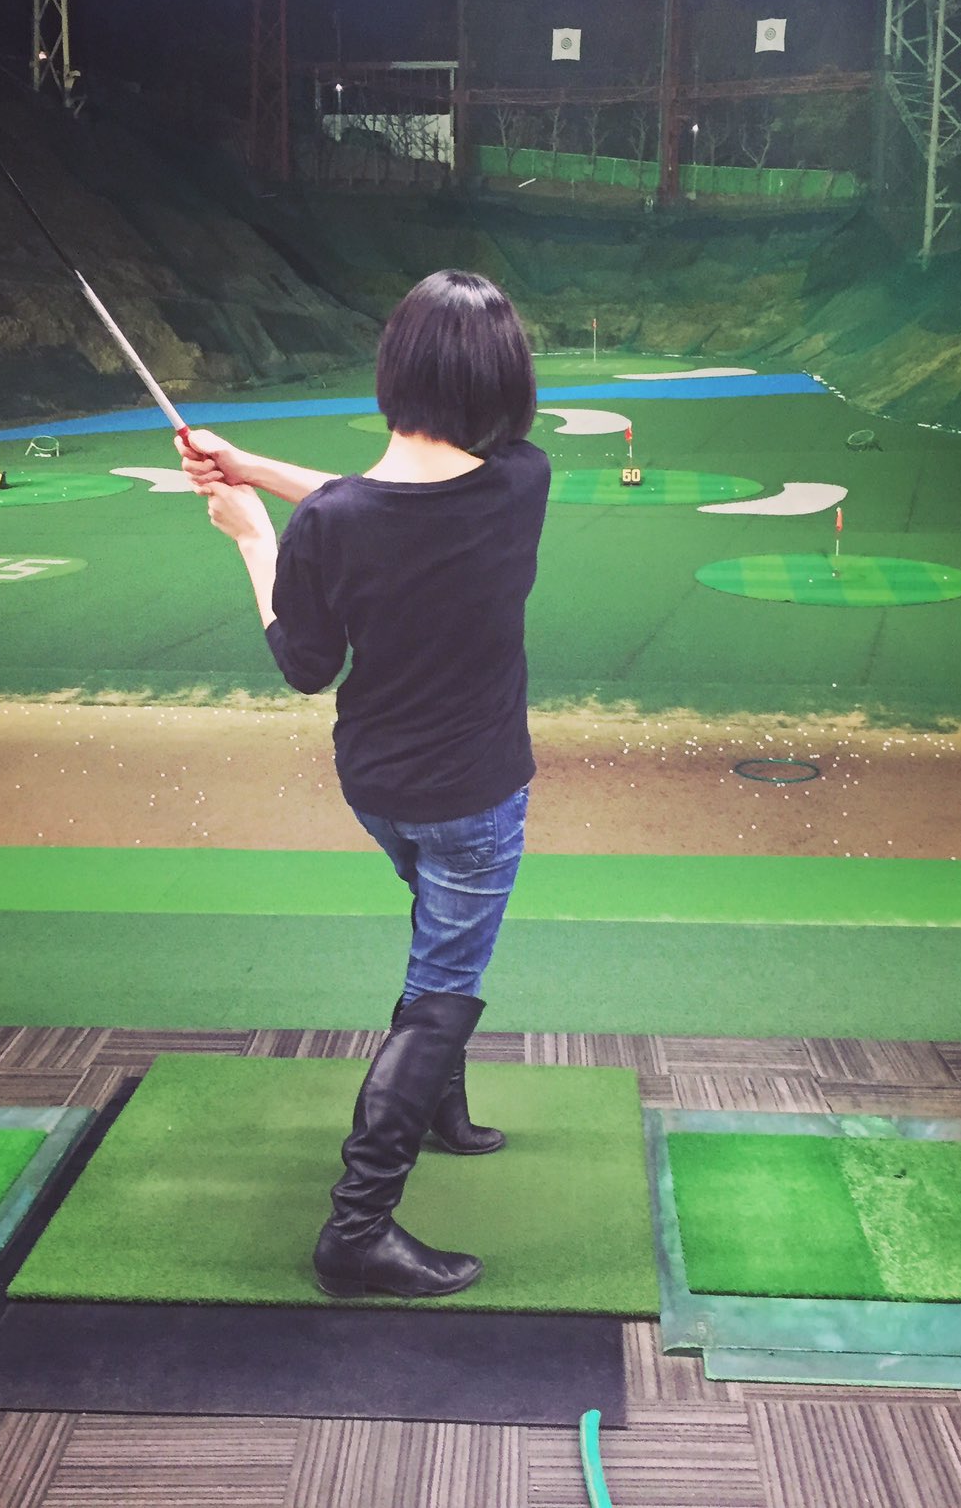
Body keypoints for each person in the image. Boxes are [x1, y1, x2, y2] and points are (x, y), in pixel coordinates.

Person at [180, 269, 548, 1300]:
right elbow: (385, 506)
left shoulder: (333, 524)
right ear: (503, 385)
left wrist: (254, 532)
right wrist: (258, 496)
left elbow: (307, 658)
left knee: (436, 943)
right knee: (442, 988)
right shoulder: (523, 480)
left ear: (394, 372)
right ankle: (357, 1228)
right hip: (476, 796)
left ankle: (437, 1107)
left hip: (377, 787)